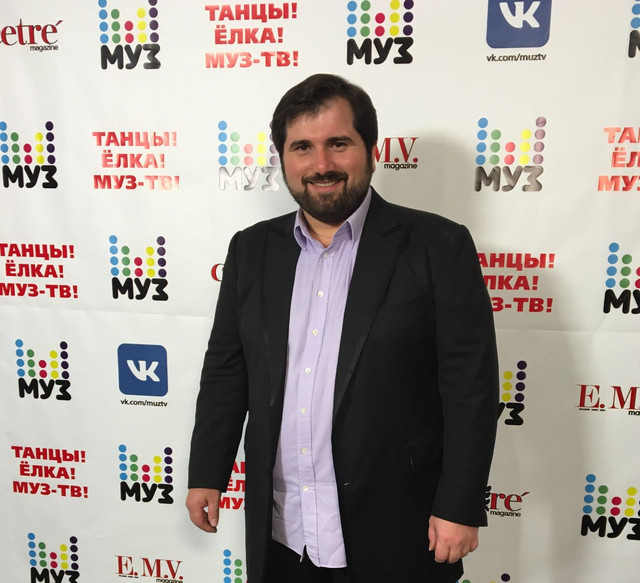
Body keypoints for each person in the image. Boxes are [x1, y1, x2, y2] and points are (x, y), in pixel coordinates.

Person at [186, 73, 498, 583]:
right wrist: (207, 472)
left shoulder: (438, 246)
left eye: (338, 143)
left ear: (371, 150)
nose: (321, 164)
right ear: (282, 158)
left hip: (397, 527)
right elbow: (226, 371)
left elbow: (471, 388)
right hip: (284, 529)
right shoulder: (251, 250)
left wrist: (460, 504)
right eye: (302, 147)